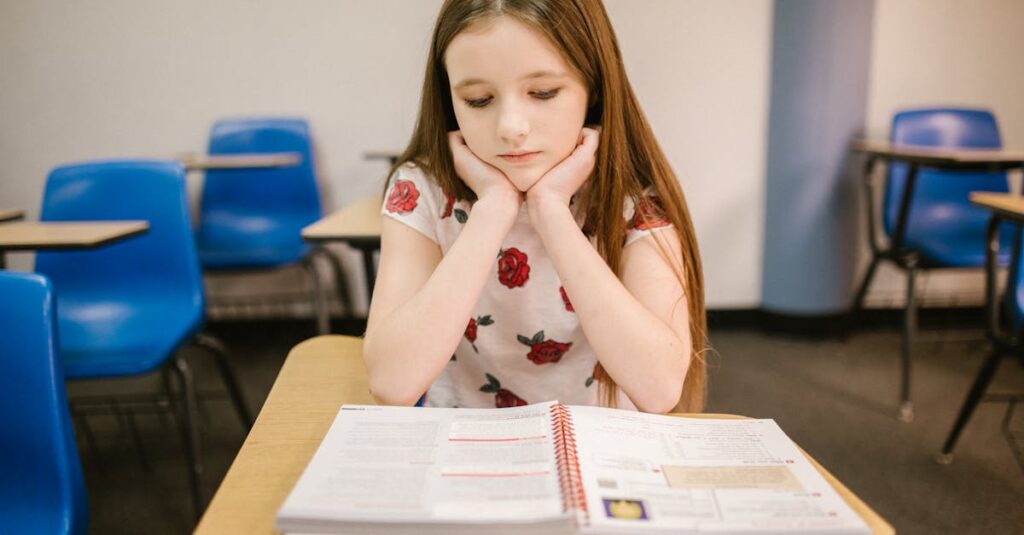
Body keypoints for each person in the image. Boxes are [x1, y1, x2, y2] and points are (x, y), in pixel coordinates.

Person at [363, 0, 707, 414]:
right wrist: (492, 209)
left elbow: (660, 388)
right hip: (465, 445)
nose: (511, 128)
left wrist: (551, 211)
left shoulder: (632, 195)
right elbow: (391, 382)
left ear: (593, 88)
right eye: (477, 99)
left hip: (599, 450)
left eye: (543, 93)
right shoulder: (421, 189)